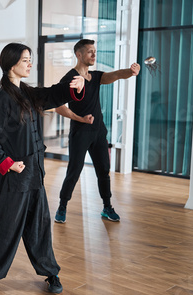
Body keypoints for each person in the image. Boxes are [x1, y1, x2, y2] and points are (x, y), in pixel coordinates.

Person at [0, 43, 85, 295]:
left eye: (29, 59)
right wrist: (7, 163)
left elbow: (52, 95)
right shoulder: (3, 99)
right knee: (4, 230)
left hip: (36, 175)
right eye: (25, 60)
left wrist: (73, 86)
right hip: (14, 180)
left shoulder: (27, 92)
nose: (29, 63)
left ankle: (50, 272)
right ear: (11, 64)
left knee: (40, 228)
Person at [53, 39, 140, 224]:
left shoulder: (95, 77)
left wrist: (131, 72)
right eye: (90, 51)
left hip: (99, 132)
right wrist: (80, 119)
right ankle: (62, 206)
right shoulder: (70, 79)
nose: (94, 55)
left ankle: (107, 207)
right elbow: (58, 107)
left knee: (103, 171)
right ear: (78, 54)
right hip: (80, 133)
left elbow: (115, 75)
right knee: (74, 171)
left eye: (95, 51)